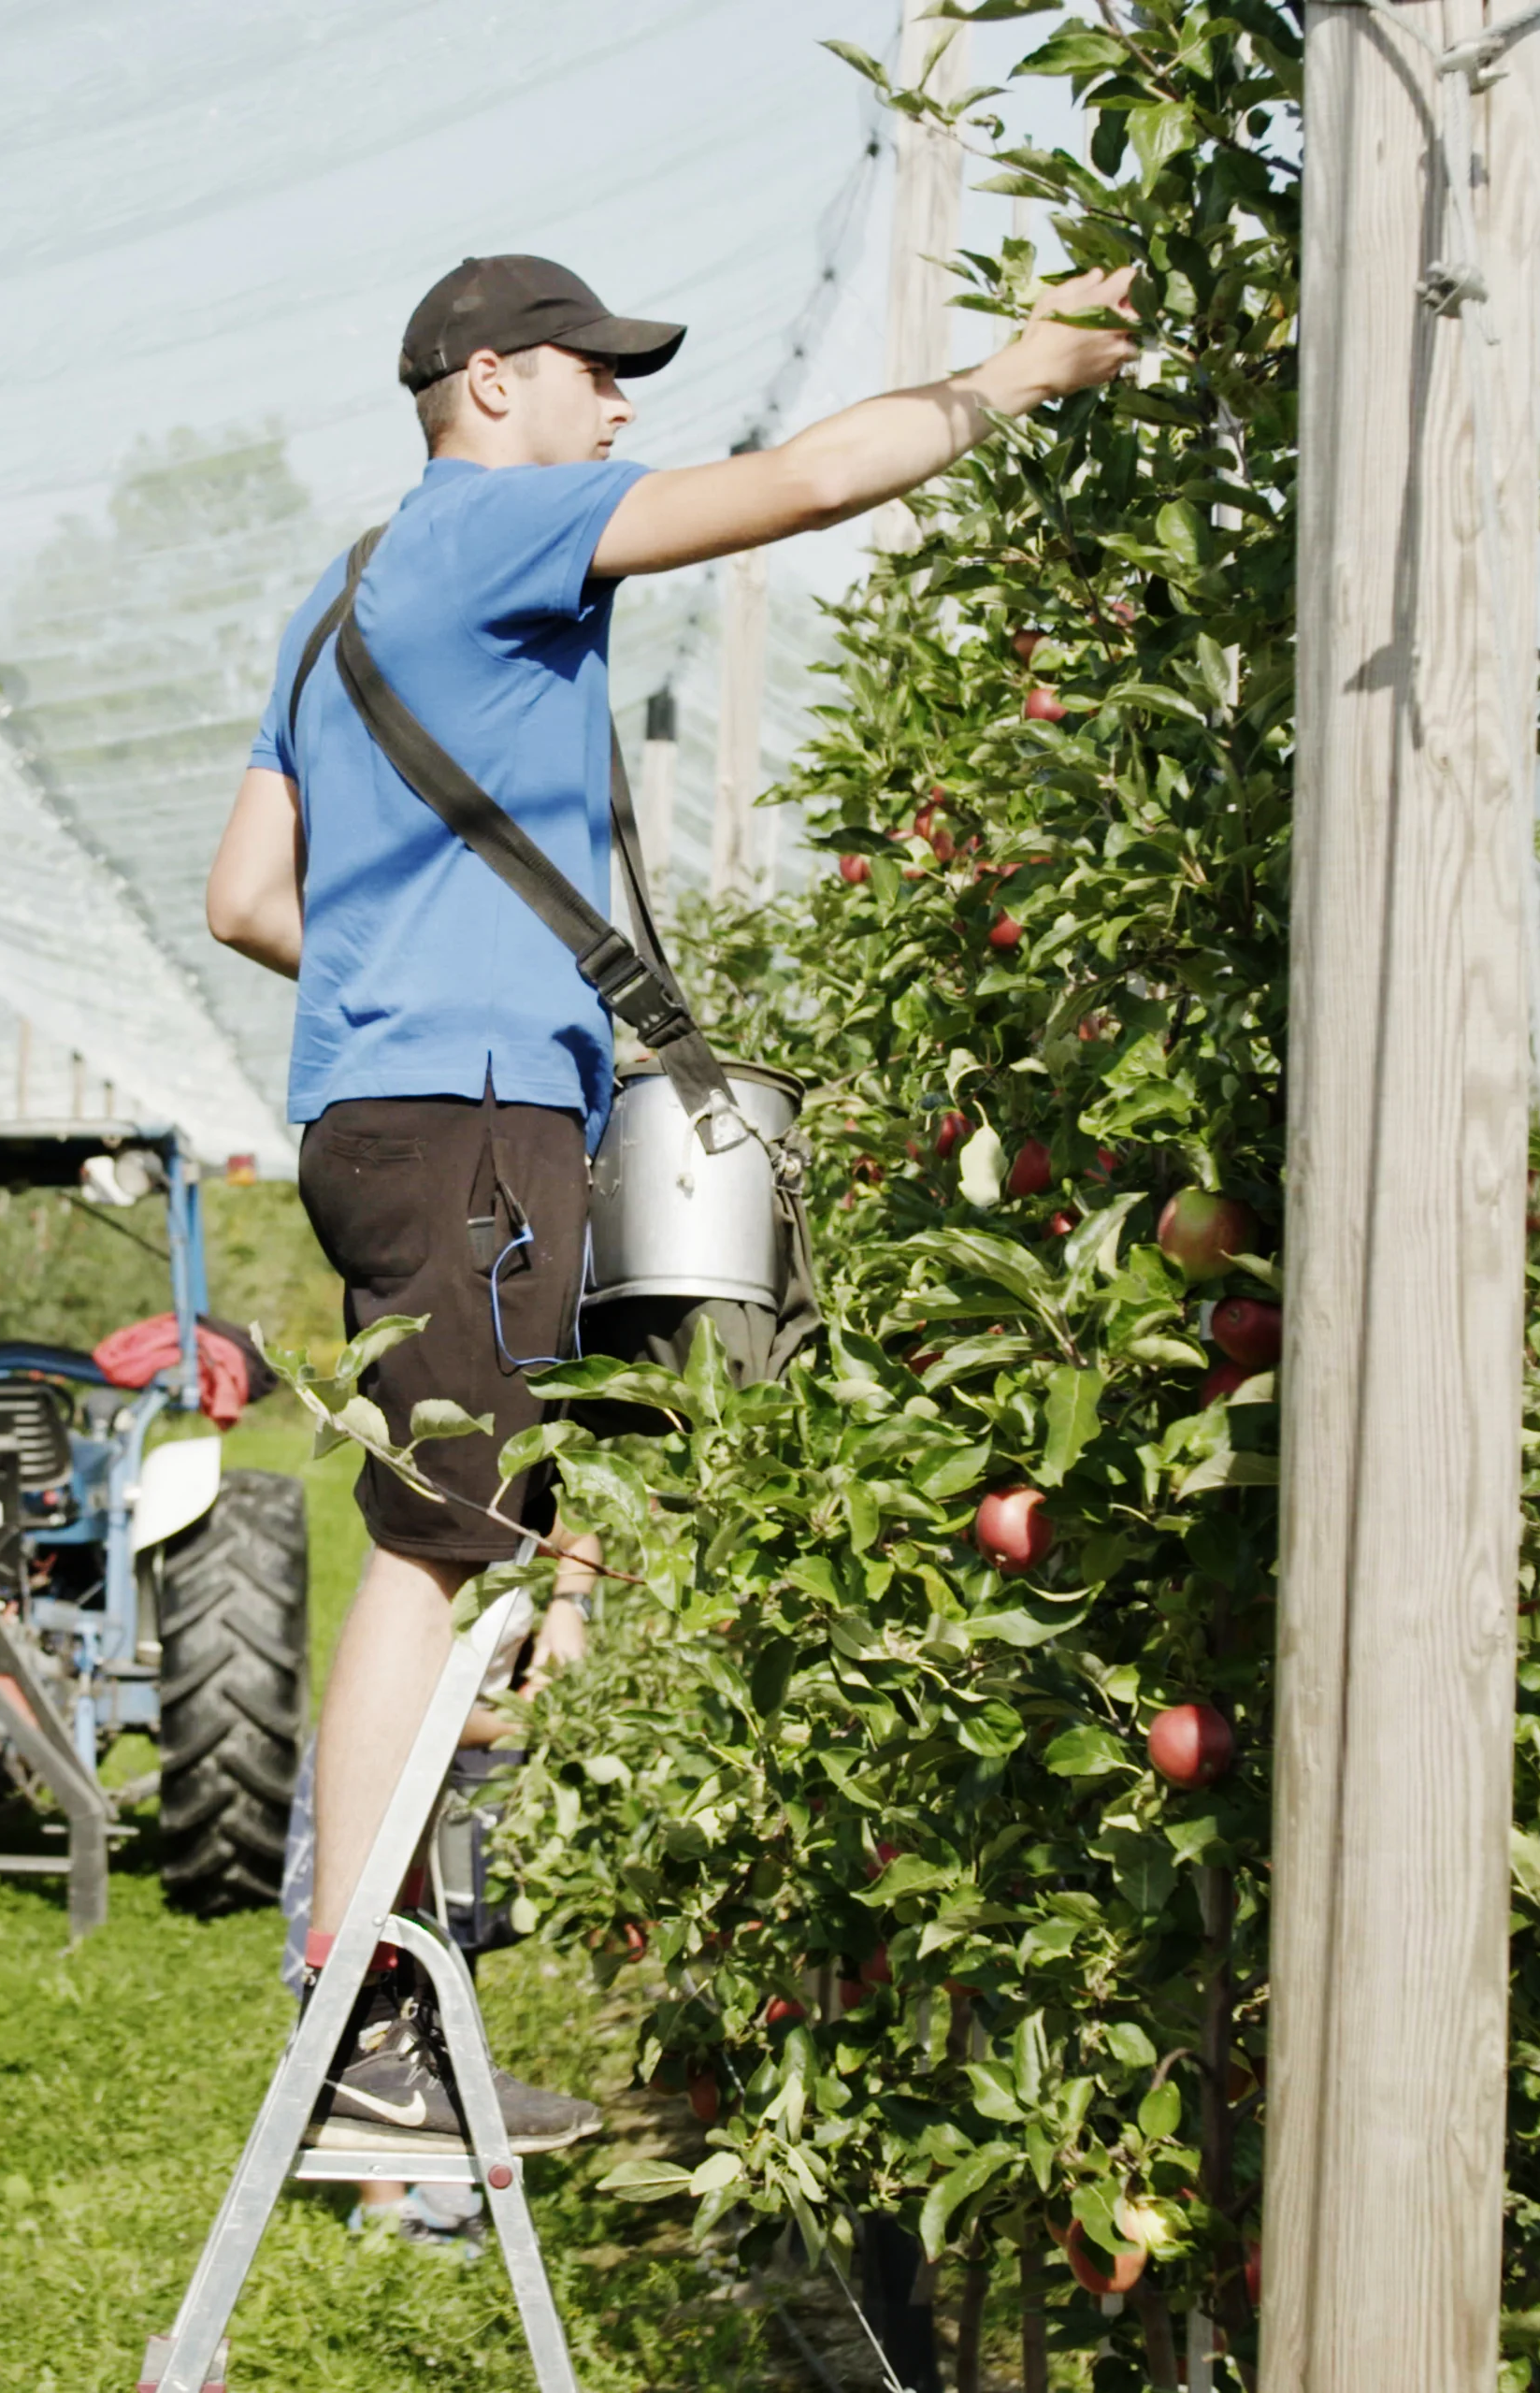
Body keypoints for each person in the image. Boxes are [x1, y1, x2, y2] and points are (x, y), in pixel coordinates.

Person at [206, 252, 1134, 2154]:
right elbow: (802, 484)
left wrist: (405, 973)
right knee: (440, 1545)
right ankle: (358, 2017)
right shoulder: (491, 531)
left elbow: (243, 897)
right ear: (489, 383)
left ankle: (379, 2001)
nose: (620, 405)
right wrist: (1021, 372)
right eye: (593, 372)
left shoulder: (333, 604)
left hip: (388, 1106)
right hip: (472, 1119)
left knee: (467, 1530)